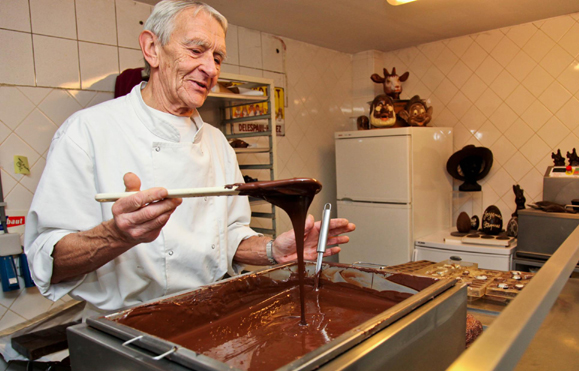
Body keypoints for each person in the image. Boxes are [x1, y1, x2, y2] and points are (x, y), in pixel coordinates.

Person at [24, 0, 354, 318]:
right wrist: (117, 235)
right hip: (126, 330)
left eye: (218, 57)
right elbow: (46, 257)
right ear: (152, 48)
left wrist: (272, 251)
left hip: (211, 314)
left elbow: (228, 237)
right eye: (196, 50)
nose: (211, 69)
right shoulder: (88, 131)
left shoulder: (217, 143)